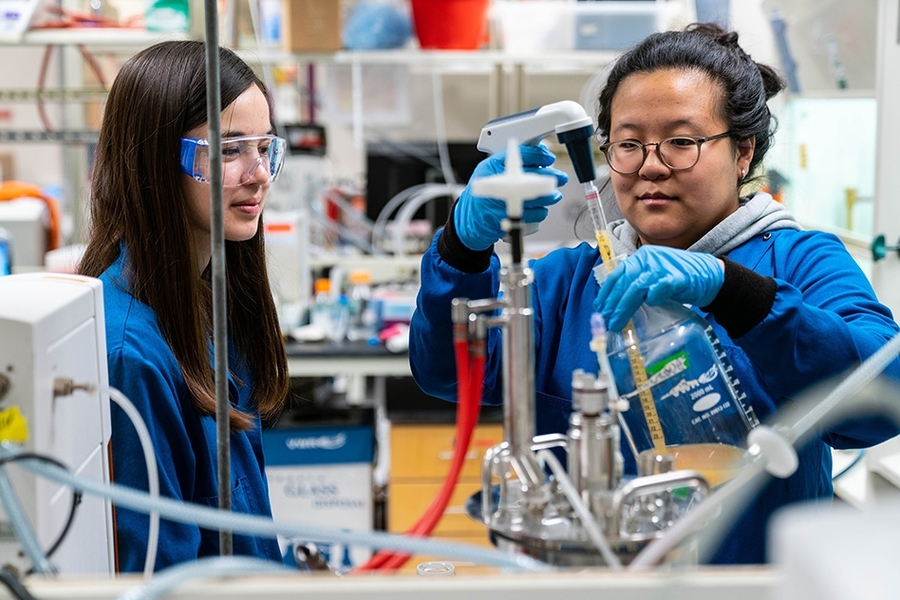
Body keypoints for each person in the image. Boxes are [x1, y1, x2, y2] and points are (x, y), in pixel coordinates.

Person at [408, 22, 900, 565]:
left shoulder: (800, 261)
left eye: (681, 142)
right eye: (628, 144)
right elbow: (447, 372)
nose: (649, 166)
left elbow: (883, 401)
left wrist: (735, 291)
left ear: (743, 153)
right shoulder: (567, 281)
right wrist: (461, 248)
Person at [78, 40, 290, 572]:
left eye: (264, 147)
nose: (259, 173)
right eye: (228, 151)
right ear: (154, 162)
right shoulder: (129, 357)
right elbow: (160, 579)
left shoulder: (210, 305)